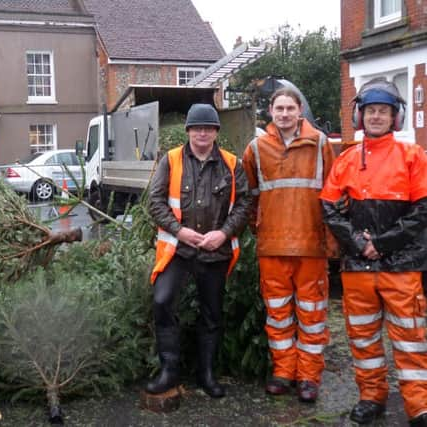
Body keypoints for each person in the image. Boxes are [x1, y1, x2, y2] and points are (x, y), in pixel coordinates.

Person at [320, 77, 427, 426]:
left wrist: (380, 244)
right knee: (363, 338)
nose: (377, 117)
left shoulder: (413, 156)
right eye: (371, 111)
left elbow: (422, 210)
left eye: (384, 111)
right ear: (360, 117)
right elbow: (329, 208)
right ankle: (371, 397)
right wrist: (357, 242)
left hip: (403, 264)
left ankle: (418, 406)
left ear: (395, 118)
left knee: (410, 339)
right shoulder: (347, 159)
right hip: (357, 266)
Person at [147, 103, 251, 398]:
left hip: (214, 253)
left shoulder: (232, 163)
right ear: (189, 131)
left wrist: (224, 233)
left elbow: (244, 204)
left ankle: (206, 373)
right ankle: (169, 371)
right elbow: (155, 202)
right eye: (197, 128)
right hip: (178, 251)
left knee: (212, 313)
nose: (202, 133)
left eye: (208, 128)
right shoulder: (171, 160)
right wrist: (180, 232)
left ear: (216, 132)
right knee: (163, 302)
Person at [242, 87, 337, 403]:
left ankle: (309, 376)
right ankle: (284, 372)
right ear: (270, 112)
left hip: (310, 245)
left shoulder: (320, 143)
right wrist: (260, 228)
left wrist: (331, 241)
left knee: (311, 314)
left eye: (290, 109)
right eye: (279, 108)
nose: (284, 114)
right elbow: (250, 198)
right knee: (278, 314)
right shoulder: (256, 149)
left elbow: (333, 194)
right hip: (272, 245)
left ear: (300, 111)